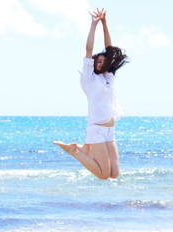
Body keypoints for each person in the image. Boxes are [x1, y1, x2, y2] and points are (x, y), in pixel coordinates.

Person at [53, 8, 128, 180]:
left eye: (103, 61)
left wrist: (105, 23)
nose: (101, 63)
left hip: (110, 130)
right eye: (98, 61)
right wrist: (93, 24)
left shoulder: (108, 77)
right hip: (97, 129)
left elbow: (110, 50)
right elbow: (88, 49)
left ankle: (84, 148)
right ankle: (76, 151)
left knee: (114, 174)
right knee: (102, 175)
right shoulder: (89, 78)